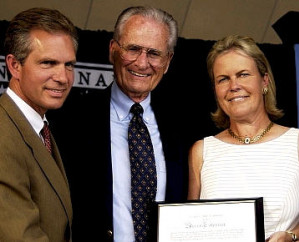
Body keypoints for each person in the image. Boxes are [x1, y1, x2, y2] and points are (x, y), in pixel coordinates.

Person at [54, 5, 189, 242]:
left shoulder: (184, 127)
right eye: (133, 49)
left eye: (154, 53)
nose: (142, 63)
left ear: (167, 62)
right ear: (112, 50)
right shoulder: (69, 121)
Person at [188, 34, 299, 241]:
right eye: (223, 79)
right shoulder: (201, 151)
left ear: (264, 80)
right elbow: (189, 228)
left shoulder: (297, 143)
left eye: (243, 75)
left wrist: (292, 236)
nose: (233, 86)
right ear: (216, 90)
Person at [0, 7, 77, 241]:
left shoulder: (38, 127)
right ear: (14, 66)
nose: (63, 77)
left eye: (69, 65)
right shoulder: (3, 133)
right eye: (48, 63)